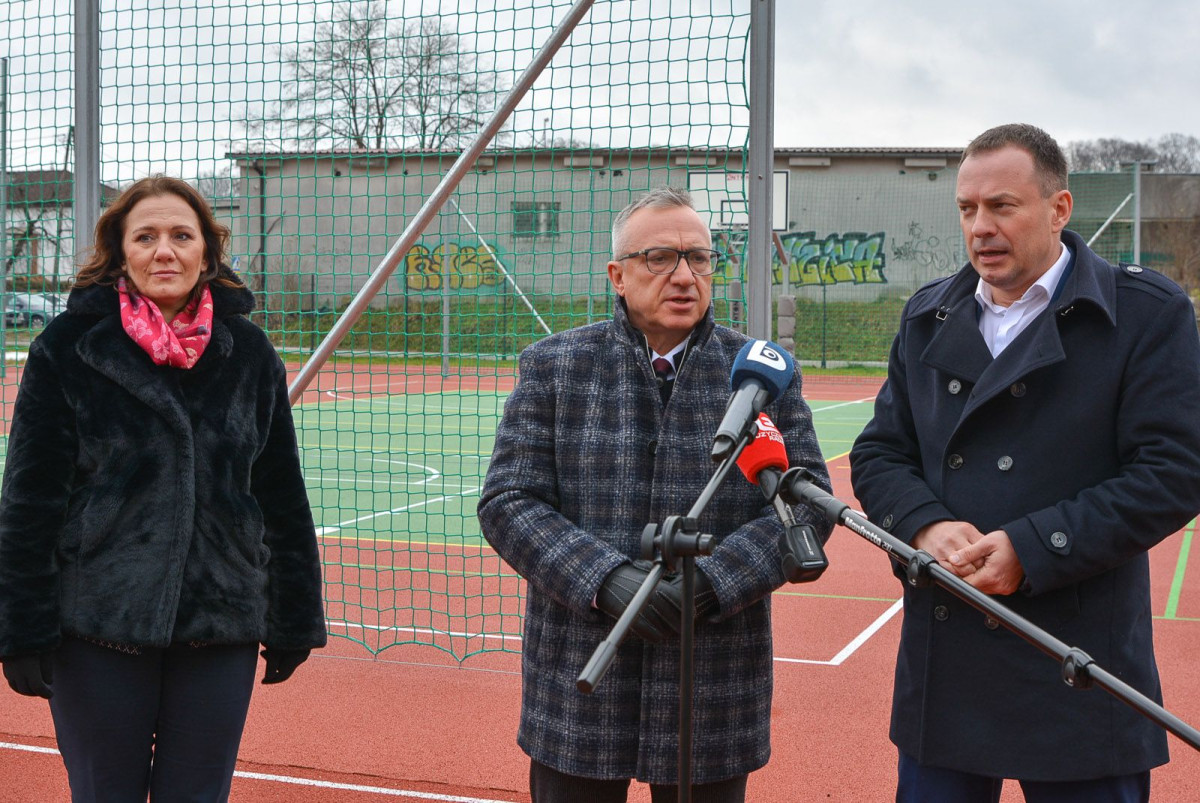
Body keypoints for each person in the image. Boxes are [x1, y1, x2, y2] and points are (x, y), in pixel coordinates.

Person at [849, 123, 1200, 802]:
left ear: (1058, 208)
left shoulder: (1145, 314)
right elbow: (881, 450)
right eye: (967, 208)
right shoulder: (927, 315)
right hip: (949, 660)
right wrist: (923, 525)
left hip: (1078, 660)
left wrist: (1033, 549)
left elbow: (1174, 470)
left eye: (1001, 206)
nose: (980, 226)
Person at [477, 187, 832, 802]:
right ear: (618, 275)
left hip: (712, 677)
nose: (685, 276)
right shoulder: (554, 366)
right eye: (660, 258)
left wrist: (711, 583)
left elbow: (806, 501)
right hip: (582, 671)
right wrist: (605, 580)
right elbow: (509, 501)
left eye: (700, 258)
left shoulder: (762, 375)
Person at [0, 175, 327, 801]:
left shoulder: (249, 352)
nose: (164, 251)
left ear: (207, 249)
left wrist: (293, 616)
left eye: (181, 235)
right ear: (120, 252)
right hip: (96, 624)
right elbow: (29, 500)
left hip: (219, 625)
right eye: (145, 237)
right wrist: (21, 626)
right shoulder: (66, 349)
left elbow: (280, 493)